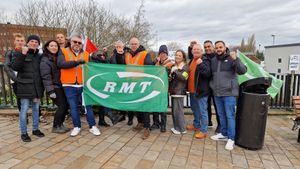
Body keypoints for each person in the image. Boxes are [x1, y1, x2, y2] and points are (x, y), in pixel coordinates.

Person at [57, 33, 100, 137]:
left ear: (82, 44)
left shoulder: (86, 54)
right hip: (68, 84)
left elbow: (91, 68)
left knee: (87, 106)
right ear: (70, 42)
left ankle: (92, 126)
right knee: (73, 107)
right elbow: (61, 64)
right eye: (75, 42)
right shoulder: (63, 51)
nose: (77, 44)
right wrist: (77, 62)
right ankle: (77, 127)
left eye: (79, 43)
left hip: (83, 84)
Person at [210, 41, 247, 151]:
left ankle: (231, 138)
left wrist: (236, 59)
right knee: (221, 115)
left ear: (225, 47)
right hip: (217, 93)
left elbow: (242, 71)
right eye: (216, 48)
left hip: (229, 93)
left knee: (230, 116)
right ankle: (224, 133)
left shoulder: (231, 58)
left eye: (220, 47)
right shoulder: (213, 60)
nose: (218, 49)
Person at [11, 35, 45, 142]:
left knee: (36, 109)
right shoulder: (19, 53)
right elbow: (15, 67)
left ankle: (35, 129)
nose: (34, 43)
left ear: (38, 44)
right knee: (24, 110)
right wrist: (23, 54)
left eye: (36, 42)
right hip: (24, 87)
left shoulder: (39, 56)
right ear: (28, 42)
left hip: (36, 87)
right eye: (32, 41)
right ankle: (24, 133)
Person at [125, 37, 153, 140]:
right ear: (129, 44)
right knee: (136, 106)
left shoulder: (145, 54)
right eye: (132, 44)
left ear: (139, 44)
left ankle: (147, 127)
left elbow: (149, 69)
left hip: (142, 84)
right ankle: (140, 123)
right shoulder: (127, 54)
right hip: (131, 85)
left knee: (144, 106)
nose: (133, 45)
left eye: (135, 44)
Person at [40, 40, 70, 133]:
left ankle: (60, 124)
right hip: (54, 87)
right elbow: (46, 77)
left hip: (60, 86)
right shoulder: (45, 60)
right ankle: (55, 126)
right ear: (47, 47)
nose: (54, 47)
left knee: (66, 106)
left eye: (55, 46)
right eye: (51, 46)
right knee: (62, 106)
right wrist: (50, 91)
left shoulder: (57, 57)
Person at [152, 45, 174, 132]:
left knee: (163, 107)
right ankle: (156, 123)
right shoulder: (155, 62)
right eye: (161, 53)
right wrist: (154, 61)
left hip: (164, 89)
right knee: (155, 106)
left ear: (167, 54)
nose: (163, 55)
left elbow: (171, 77)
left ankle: (163, 125)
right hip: (155, 88)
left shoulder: (171, 63)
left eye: (164, 53)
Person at [110, 40, 132, 125]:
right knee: (119, 99)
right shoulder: (113, 56)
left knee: (128, 100)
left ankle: (130, 118)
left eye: (120, 46)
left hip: (127, 80)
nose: (119, 48)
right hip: (117, 81)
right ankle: (121, 115)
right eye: (117, 47)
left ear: (123, 47)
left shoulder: (127, 54)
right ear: (115, 47)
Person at [4, 33, 25, 111]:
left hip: (28, 79)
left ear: (24, 42)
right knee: (19, 98)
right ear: (14, 42)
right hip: (16, 81)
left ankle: (39, 115)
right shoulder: (10, 53)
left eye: (22, 40)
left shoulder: (28, 51)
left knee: (34, 98)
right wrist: (15, 79)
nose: (20, 42)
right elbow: (6, 66)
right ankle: (23, 117)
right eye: (18, 40)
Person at [169, 50, 189, 135]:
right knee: (174, 111)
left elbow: (184, 77)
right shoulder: (174, 66)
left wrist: (175, 71)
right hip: (173, 91)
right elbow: (172, 79)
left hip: (179, 91)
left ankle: (182, 129)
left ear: (183, 57)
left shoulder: (185, 67)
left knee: (178, 111)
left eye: (179, 55)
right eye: (176, 55)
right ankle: (176, 127)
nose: (177, 57)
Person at [203, 40, 220, 132]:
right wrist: (190, 48)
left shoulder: (217, 57)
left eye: (209, 46)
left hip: (216, 86)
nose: (207, 48)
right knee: (207, 105)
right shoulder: (204, 57)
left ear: (213, 47)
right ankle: (209, 122)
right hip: (207, 86)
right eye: (205, 47)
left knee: (218, 107)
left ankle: (220, 126)